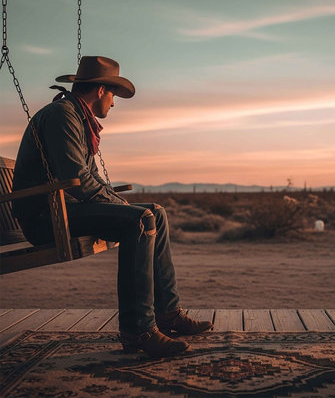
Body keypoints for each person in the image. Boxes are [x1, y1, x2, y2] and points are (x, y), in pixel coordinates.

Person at [12, 55, 213, 358]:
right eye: (114, 95)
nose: (114, 104)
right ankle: (138, 330)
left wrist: (121, 205)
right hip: (46, 217)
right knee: (140, 220)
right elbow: (77, 179)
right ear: (101, 90)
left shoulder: (78, 119)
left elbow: (90, 178)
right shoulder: (62, 116)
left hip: (63, 209)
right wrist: (125, 209)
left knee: (155, 212)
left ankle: (168, 314)